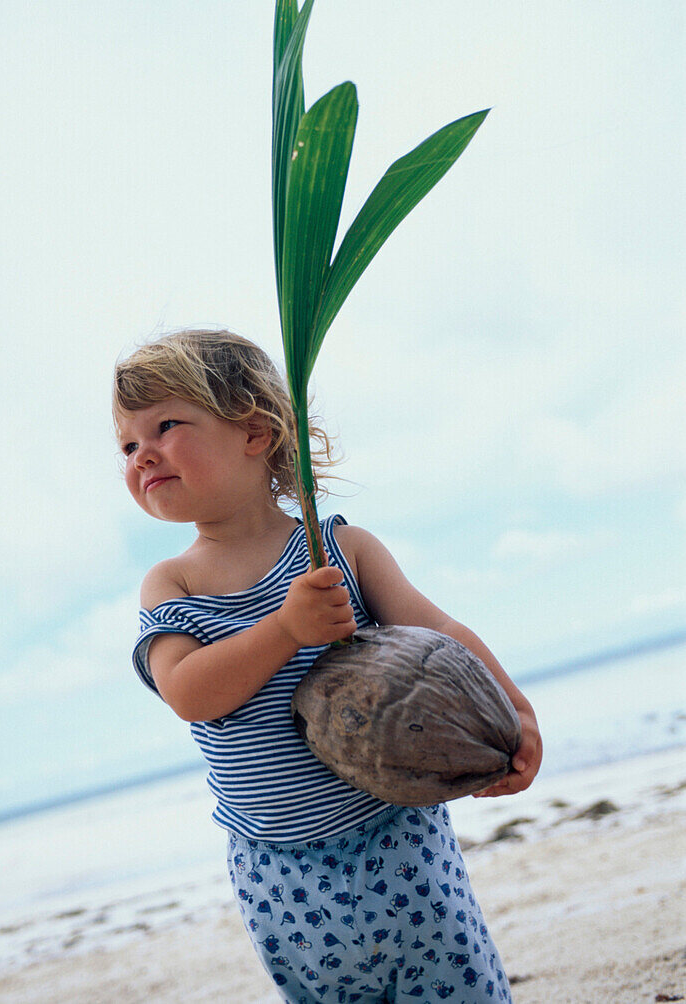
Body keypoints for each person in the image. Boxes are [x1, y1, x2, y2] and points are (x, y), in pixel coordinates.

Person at [114, 327, 542, 1004]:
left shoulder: (339, 549)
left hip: (394, 833)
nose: (143, 455)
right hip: (278, 868)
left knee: (454, 986)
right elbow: (189, 693)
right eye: (128, 444)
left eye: (166, 426)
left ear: (255, 433)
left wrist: (512, 708)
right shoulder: (172, 586)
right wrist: (286, 628)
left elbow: (438, 632)